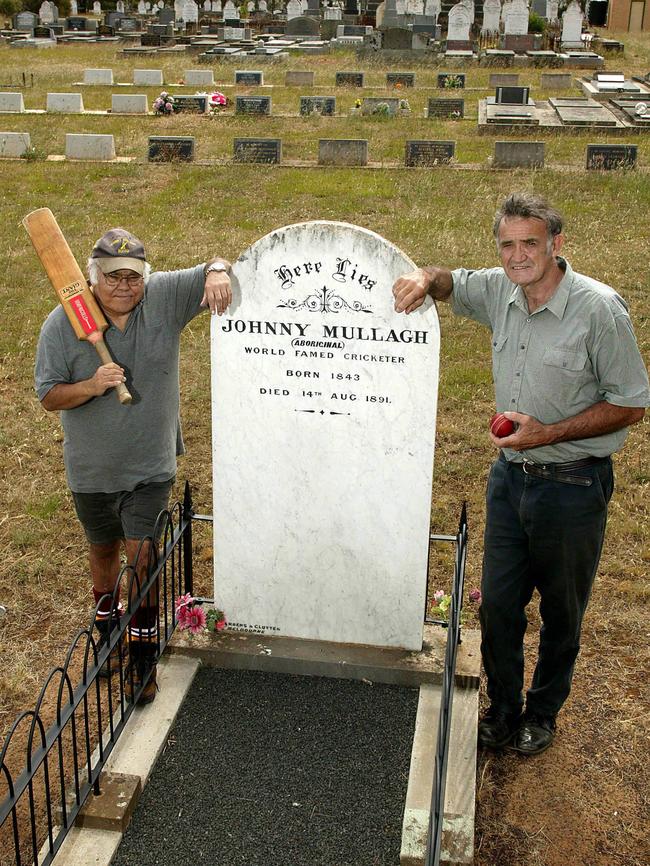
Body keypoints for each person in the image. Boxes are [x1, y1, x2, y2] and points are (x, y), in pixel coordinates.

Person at [392, 192, 649, 755]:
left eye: (529, 243)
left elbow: (631, 403)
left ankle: (543, 711)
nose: (517, 255)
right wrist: (421, 275)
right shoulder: (500, 290)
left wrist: (547, 432)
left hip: (574, 485)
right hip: (510, 480)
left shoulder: (598, 310)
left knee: (561, 611)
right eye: (507, 245)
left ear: (557, 244)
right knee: (501, 605)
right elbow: (446, 281)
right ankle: (504, 707)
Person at [35, 228, 232, 704]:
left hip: (150, 466)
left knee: (142, 559)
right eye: (112, 276)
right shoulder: (62, 324)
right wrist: (92, 384)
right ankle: (108, 639)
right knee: (103, 552)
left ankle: (142, 662)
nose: (124, 285)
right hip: (93, 470)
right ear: (93, 278)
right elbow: (48, 395)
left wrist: (218, 270)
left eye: (133, 276)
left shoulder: (162, 297)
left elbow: (213, 265)